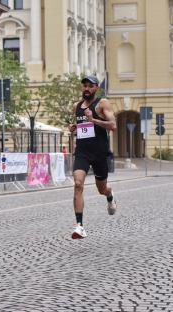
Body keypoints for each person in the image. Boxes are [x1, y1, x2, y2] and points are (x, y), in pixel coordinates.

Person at [68, 75, 117, 239]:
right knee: (77, 183)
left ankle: (110, 196)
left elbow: (113, 126)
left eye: (90, 86)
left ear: (96, 88)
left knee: (102, 189)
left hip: (99, 153)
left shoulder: (102, 104)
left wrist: (93, 119)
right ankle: (79, 226)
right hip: (82, 152)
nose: (86, 89)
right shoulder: (76, 106)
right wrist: (74, 127)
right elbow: (83, 126)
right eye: (84, 86)